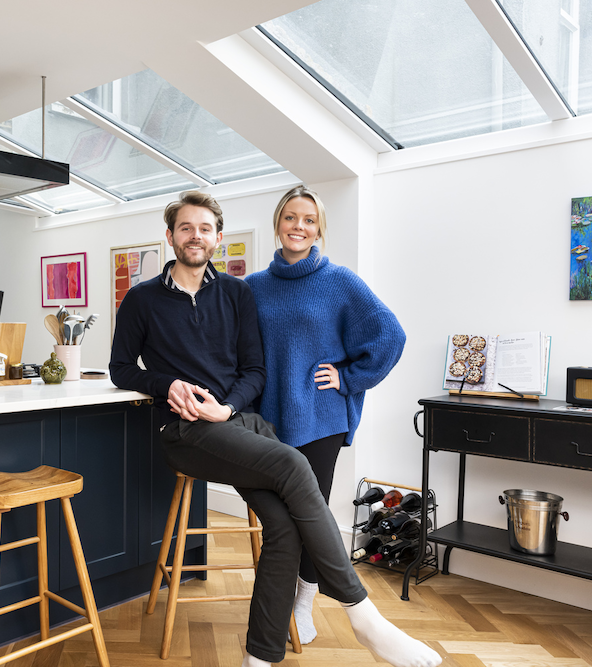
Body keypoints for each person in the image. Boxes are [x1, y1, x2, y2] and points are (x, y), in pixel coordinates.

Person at [109, 190, 439, 667]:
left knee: (284, 525)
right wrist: (167, 384)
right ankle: (362, 613)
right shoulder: (143, 299)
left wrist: (229, 407)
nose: (195, 236)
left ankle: (259, 657)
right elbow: (121, 368)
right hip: (182, 431)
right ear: (170, 236)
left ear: (218, 239)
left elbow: (253, 371)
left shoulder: (237, 292)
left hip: (242, 422)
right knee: (292, 463)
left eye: (204, 229)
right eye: (185, 228)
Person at [244, 185, 406, 645]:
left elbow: (390, 336)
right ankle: (279, 598)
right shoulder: (253, 287)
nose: (299, 226)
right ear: (278, 223)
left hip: (320, 418)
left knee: (311, 513)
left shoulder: (340, 281)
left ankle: (304, 598)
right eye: (291, 217)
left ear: (319, 230)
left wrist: (348, 378)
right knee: (281, 518)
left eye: (309, 220)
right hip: (266, 420)